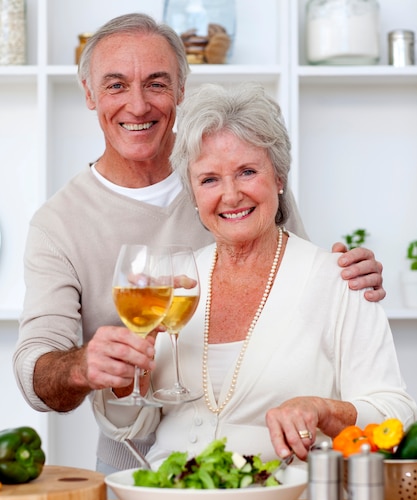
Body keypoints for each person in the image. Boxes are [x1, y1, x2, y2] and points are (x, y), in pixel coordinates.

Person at [13, 14, 386, 474]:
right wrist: (81, 366)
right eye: (115, 85)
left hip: (268, 461)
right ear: (89, 94)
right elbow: (35, 368)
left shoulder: (237, 165)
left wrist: (349, 277)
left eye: (156, 83)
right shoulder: (59, 224)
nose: (137, 105)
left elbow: (295, 287)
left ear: (181, 90)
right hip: (135, 456)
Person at [93, 82, 416, 470]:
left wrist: (321, 409)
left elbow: (395, 414)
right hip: (170, 498)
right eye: (209, 179)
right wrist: (129, 372)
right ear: (193, 193)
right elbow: (133, 423)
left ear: (279, 178)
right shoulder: (176, 282)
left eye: (247, 172)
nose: (230, 196)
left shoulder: (339, 280)